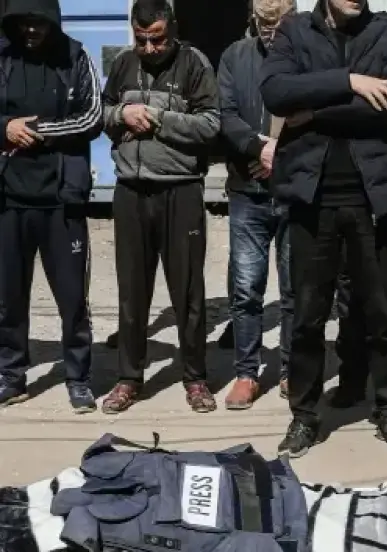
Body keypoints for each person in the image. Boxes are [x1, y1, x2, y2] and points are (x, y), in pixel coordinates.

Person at [260, 0, 387, 456]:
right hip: (312, 197)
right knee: (307, 318)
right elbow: (276, 93)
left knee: (383, 315)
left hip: (373, 196)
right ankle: (305, 416)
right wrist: (349, 82)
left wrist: (312, 112)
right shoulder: (294, 31)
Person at [100, 0, 221, 414]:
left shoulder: (194, 64)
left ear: (173, 29)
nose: (150, 49)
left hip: (180, 190)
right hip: (131, 190)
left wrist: (157, 118)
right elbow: (102, 113)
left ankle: (195, 378)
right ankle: (128, 378)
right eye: (142, 40)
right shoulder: (122, 63)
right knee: (132, 292)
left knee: (187, 291)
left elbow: (211, 124)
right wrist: (122, 113)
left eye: (158, 40)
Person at [0, 0, 103, 412]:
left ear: (53, 21)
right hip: (9, 198)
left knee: (72, 298)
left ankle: (79, 378)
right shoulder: (3, 56)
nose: (31, 31)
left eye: (39, 23)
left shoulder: (74, 56)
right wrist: (5, 128)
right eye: (23, 23)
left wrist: (40, 131)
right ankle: (11, 376)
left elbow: (92, 116)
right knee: (8, 298)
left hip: (62, 199)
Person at [218, 0, 296, 410]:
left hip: (294, 189)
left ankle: (292, 370)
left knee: (295, 288)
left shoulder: (309, 54)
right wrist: (256, 148)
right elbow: (225, 114)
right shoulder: (235, 56)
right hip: (247, 189)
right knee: (247, 288)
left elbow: (319, 111)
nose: (270, 30)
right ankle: (246, 373)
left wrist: (282, 153)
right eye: (264, 23)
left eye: (277, 22)